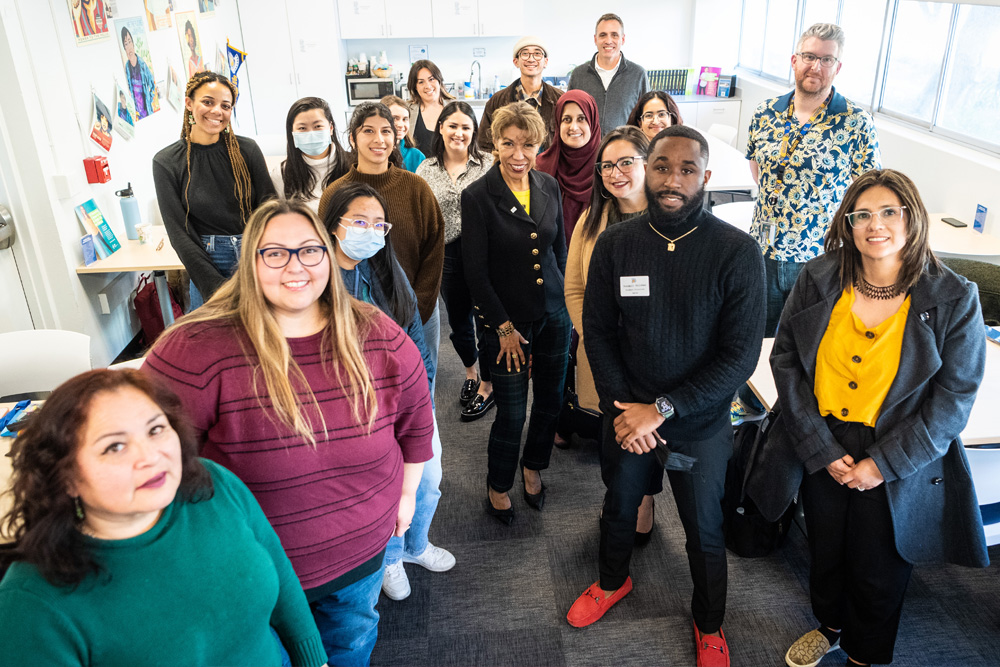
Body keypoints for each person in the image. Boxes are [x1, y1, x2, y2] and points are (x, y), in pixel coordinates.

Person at [144, 198, 434, 665]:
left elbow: (417, 419)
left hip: (358, 559)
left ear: (328, 253)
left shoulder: (374, 332)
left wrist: (406, 496)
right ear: (250, 263)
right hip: (252, 572)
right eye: (275, 253)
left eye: (309, 250)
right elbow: (150, 458)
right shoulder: (197, 348)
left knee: (350, 646)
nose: (295, 266)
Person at [748, 169, 989, 667]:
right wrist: (821, 447)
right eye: (862, 215)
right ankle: (830, 626)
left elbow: (954, 398)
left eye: (888, 212)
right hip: (823, 439)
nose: (874, 225)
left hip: (899, 449)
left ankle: (865, 652)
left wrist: (882, 464)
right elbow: (786, 362)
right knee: (827, 550)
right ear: (848, 223)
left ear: (911, 218)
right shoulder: (818, 279)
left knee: (880, 566)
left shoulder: (952, 298)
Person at [568, 126, 765, 667]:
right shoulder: (617, 243)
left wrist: (662, 410)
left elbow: (738, 358)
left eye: (685, 169)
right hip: (628, 414)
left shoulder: (738, 252)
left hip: (698, 422)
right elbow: (599, 331)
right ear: (645, 170)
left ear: (706, 176)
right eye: (661, 166)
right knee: (618, 508)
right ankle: (612, 582)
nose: (671, 179)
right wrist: (625, 412)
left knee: (704, 532)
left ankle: (709, 624)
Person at [0, 369, 327, 667]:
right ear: (65, 477)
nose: (151, 456)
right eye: (115, 447)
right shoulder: (32, 604)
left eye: (156, 429)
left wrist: (314, 661)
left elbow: (279, 573)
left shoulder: (213, 484)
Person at [321, 183, 455, 603]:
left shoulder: (384, 268)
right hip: (355, 413)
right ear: (333, 225)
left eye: (379, 224)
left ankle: (415, 546)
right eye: (359, 222)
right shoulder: (318, 278)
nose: (371, 231)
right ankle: (391, 557)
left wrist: (423, 399)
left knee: (428, 480)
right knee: (388, 489)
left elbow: (415, 338)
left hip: (406, 401)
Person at [461, 101, 570, 524]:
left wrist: (567, 306)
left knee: (549, 401)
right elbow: (475, 272)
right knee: (510, 412)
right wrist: (502, 327)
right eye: (508, 143)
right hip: (507, 322)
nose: (518, 154)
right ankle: (498, 481)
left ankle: (533, 465)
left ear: (539, 145)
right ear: (495, 144)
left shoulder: (548, 186)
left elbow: (557, 252)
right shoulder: (478, 196)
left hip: (553, 315)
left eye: (527, 144)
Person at [746, 22, 881, 339]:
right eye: (808, 56)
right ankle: (751, 392)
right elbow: (756, 167)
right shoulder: (766, 112)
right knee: (754, 338)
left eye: (826, 59)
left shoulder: (855, 122)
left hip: (817, 257)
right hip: (761, 249)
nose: (815, 66)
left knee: (806, 346)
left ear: (837, 67)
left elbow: (869, 193)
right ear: (794, 60)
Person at [564, 125, 658, 543]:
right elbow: (573, 288)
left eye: (626, 162)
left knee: (650, 434)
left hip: (655, 356)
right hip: (604, 355)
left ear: (648, 164)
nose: (615, 173)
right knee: (612, 431)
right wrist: (596, 340)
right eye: (607, 165)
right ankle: (619, 497)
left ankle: (644, 499)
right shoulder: (592, 218)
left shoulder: (667, 219)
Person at [318, 102, 446, 389]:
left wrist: (417, 307)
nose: (379, 139)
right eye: (368, 131)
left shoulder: (416, 187)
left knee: (421, 383)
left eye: (386, 131)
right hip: (354, 311)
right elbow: (323, 254)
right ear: (352, 138)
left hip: (417, 307)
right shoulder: (335, 193)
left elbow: (434, 248)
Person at [153, 71, 276, 309]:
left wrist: (267, 259)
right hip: (207, 261)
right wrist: (214, 287)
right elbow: (179, 233)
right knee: (217, 340)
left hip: (254, 253)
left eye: (225, 105)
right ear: (189, 103)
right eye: (208, 102)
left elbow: (269, 210)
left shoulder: (247, 150)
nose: (217, 111)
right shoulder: (167, 162)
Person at [415, 102, 495, 420]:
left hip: (486, 255)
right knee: (460, 322)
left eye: (465, 126)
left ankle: (488, 383)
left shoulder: (488, 164)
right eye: (452, 125)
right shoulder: (426, 169)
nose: (458, 133)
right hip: (447, 254)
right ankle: (472, 373)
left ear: (474, 131)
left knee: (488, 321)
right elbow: (423, 218)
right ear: (441, 128)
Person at [536, 90, 602, 243]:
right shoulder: (541, 166)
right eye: (566, 119)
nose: (573, 127)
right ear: (558, 124)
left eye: (581, 119)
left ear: (592, 121)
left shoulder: (608, 166)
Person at [478, 36, 563, 153]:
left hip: (549, 170)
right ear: (516, 62)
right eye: (525, 54)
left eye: (537, 54)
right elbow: (484, 145)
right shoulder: (498, 101)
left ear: (545, 62)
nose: (531, 59)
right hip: (510, 167)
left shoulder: (560, 99)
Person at [568, 13, 648, 136]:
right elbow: (568, 115)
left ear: (623, 39)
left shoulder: (638, 74)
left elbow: (646, 117)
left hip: (624, 150)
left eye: (614, 35)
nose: (608, 41)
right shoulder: (579, 74)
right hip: (587, 151)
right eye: (603, 35)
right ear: (595, 39)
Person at [271, 96, 352, 214]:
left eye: (318, 126)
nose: (311, 134)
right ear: (292, 133)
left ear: (330, 128)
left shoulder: (353, 164)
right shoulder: (282, 173)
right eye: (302, 128)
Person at [406, 60, 455, 153]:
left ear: (439, 81)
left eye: (431, 79)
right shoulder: (407, 110)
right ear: (415, 87)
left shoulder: (455, 108)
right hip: (415, 167)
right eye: (421, 82)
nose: (428, 86)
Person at [381, 94, 426, 172]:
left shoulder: (417, 157)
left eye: (405, 119)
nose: (401, 125)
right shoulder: (373, 154)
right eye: (395, 118)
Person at [121, 25, 157, 119]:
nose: (129, 47)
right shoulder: (127, 69)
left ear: (133, 43)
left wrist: (150, 99)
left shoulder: (143, 65)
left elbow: (153, 84)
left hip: (148, 112)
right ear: (124, 48)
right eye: (126, 44)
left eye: (129, 42)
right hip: (137, 115)